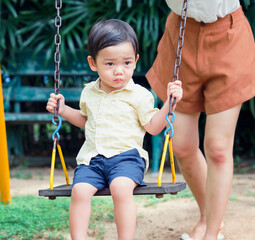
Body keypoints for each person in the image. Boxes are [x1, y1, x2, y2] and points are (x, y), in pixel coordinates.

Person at [46, 19, 183, 240]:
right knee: (79, 191)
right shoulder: (89, 92)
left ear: (136, 61)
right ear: (93, 63)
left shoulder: (139, 95)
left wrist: (169, 103)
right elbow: (85, 120)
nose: (119, 71)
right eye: (109, 64)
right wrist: (62, 110)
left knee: (120, 188)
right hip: (92, 160)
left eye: (127, 63)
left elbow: (153, 127)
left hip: (127, 159)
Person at [146, 1, 255, 240]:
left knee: (218, 149)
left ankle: (211, 233)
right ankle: (208, 216)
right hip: (181, 34)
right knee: (181, 144)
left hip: (227, 35)